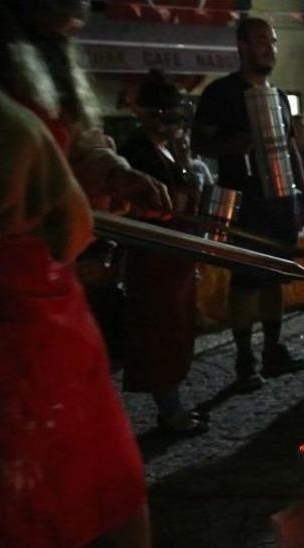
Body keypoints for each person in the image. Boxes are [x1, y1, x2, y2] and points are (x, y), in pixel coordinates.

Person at [0, 4, 218, 548]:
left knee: (108, 450)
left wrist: (111, 172)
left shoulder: (43, 52)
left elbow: (70, 144)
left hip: (51, 287)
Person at [193, 16, 304, 392]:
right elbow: (200, 144)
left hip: (280, 199)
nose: (270, 48)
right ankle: (245, 359)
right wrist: (237, 145)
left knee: (276, 276)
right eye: (262, 40)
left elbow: (292, 149)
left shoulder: (278, 97)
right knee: (245, 281)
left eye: (273, 41)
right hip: (244, 201)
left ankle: (274, 350)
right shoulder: (220, 94)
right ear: (242, 45)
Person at [119, 70, 206, 436]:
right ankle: (170, 410)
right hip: (151, 252)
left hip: (176, 251)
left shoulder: (170, 147)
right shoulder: (135, 151)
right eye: (168, 112)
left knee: (177, 327)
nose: (174, 120)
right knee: (159, 331)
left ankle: (172, 404)